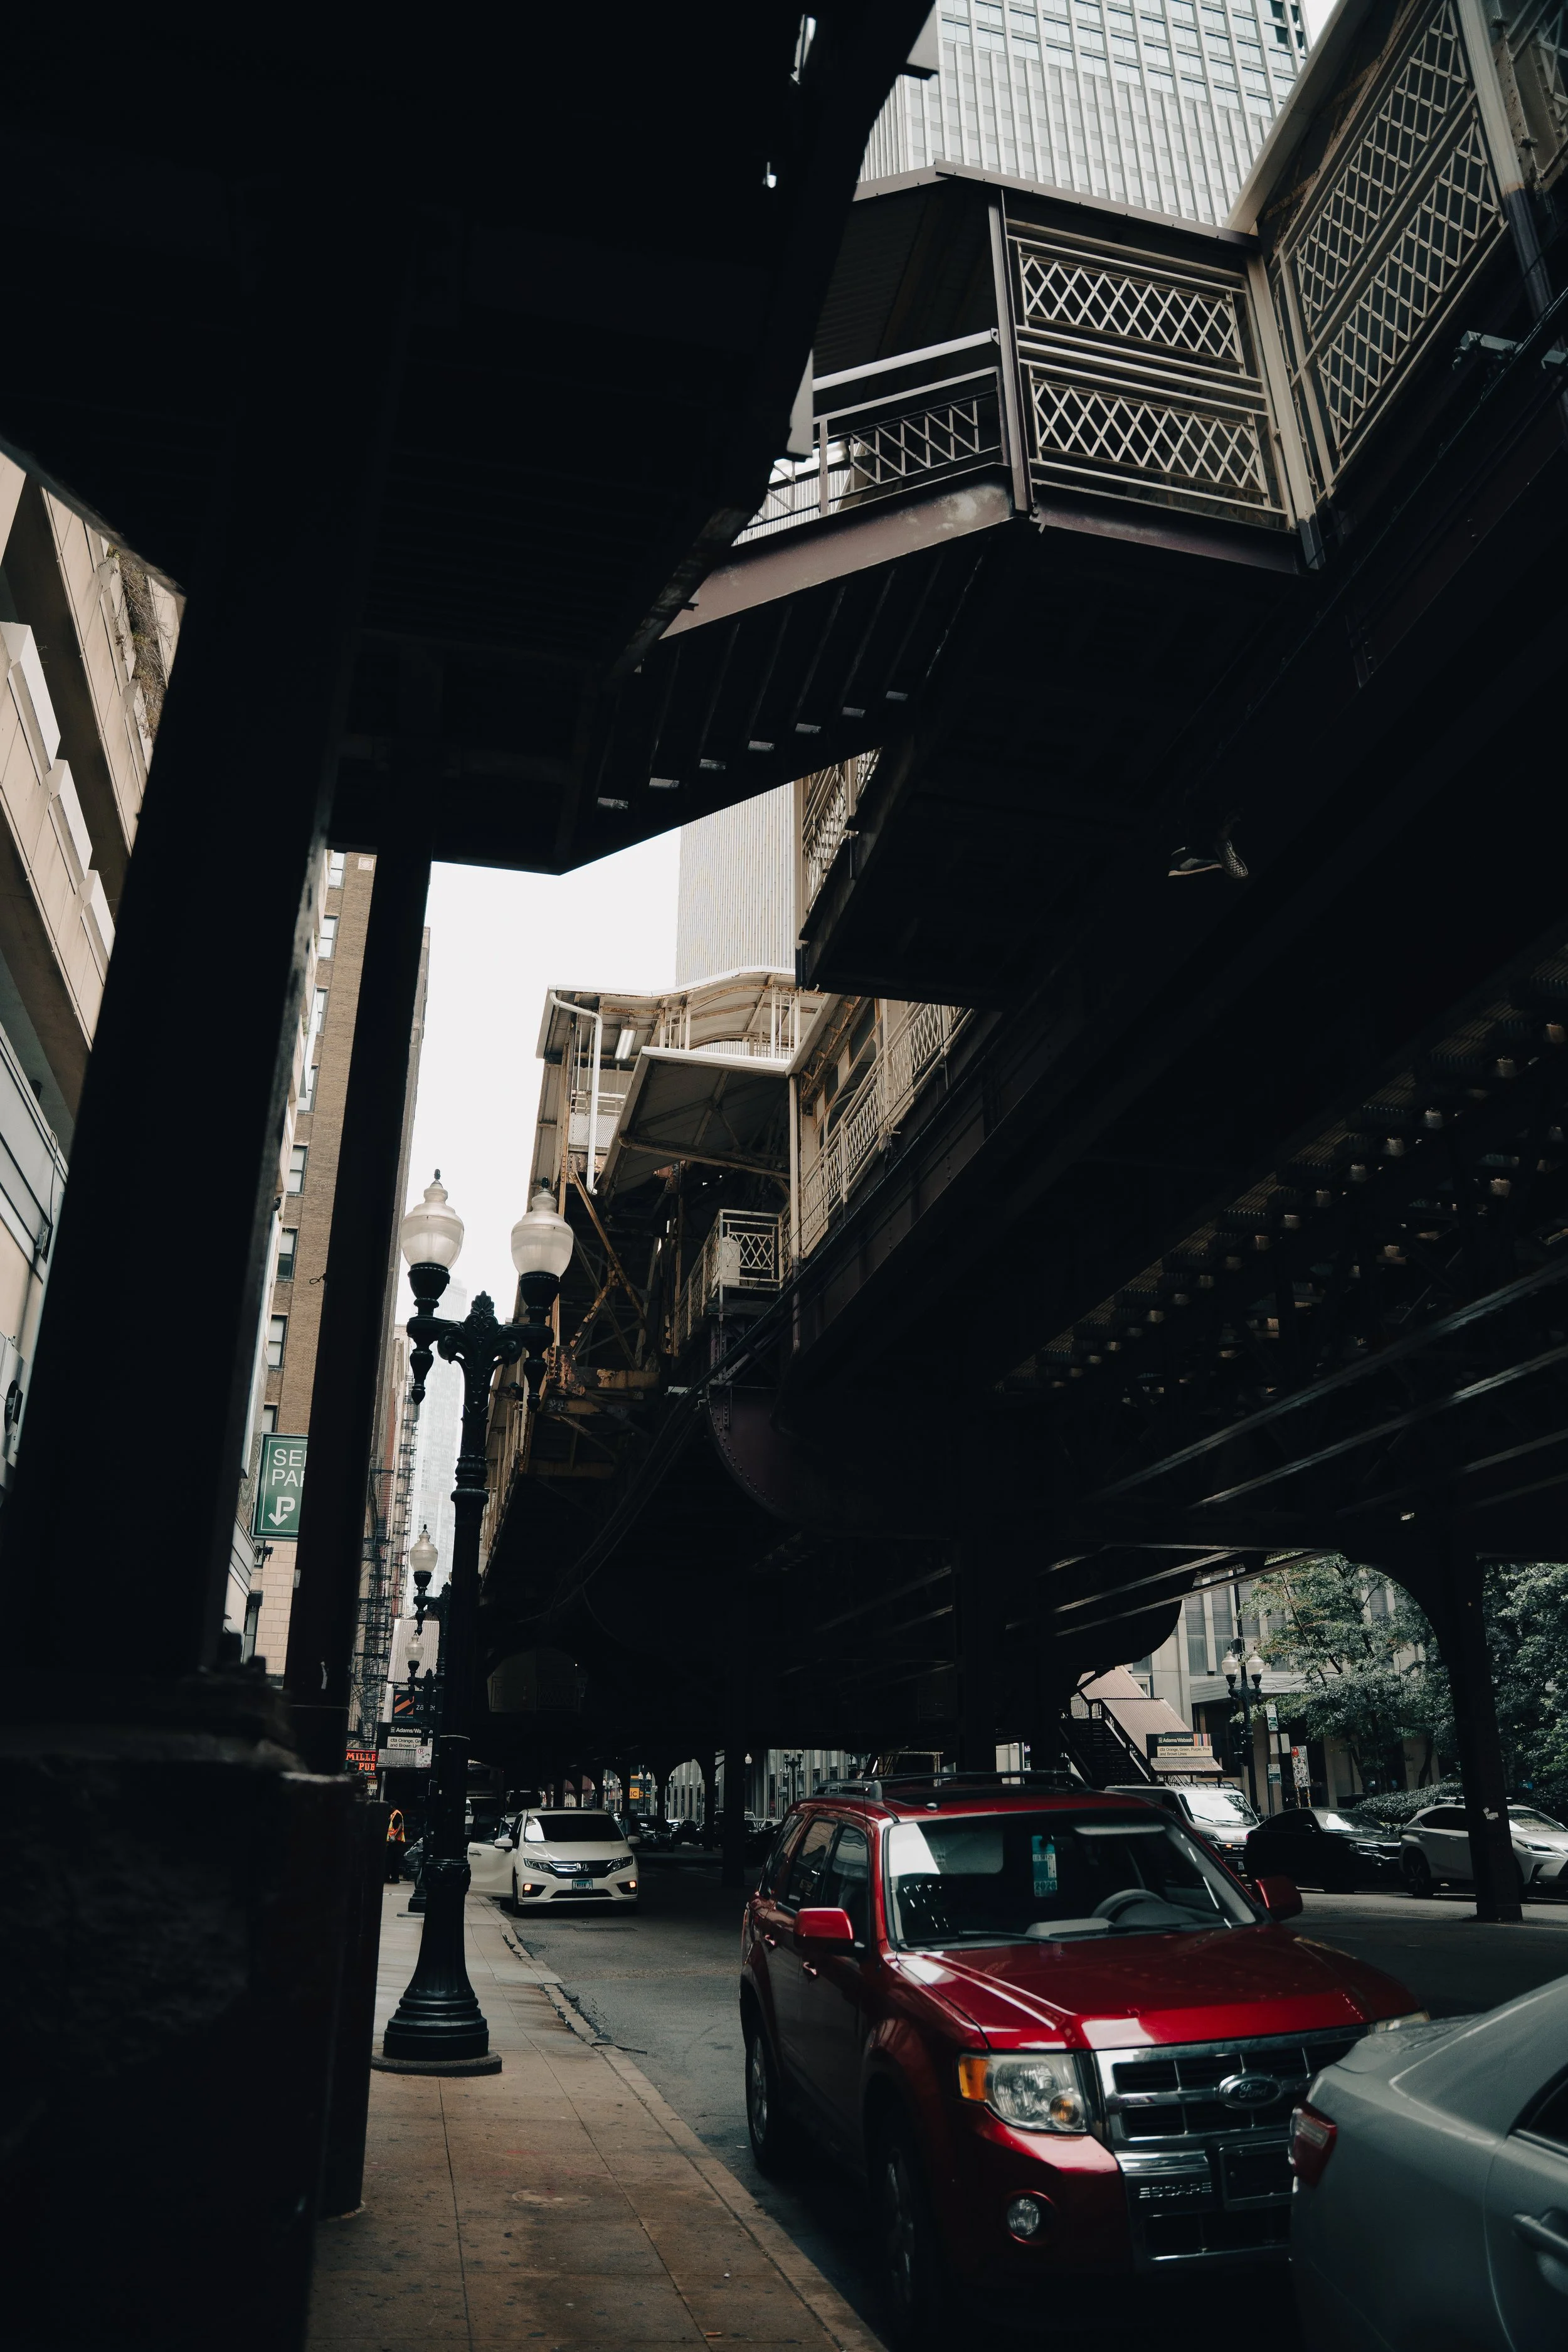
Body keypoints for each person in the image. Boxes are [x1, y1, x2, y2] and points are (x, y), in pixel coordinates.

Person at [385, 1806, 406, 1883]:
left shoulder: (397, 1814)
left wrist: (394, 1836)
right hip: (392, 1842)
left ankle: (394, 1878)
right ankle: (390, 1877)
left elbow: (400, 1825)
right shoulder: (392, 1815)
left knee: (393, 1860)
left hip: (396, 1842)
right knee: (391, 1860)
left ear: (392, 1806)